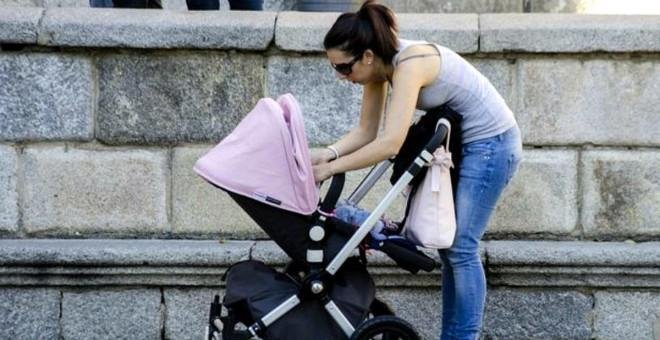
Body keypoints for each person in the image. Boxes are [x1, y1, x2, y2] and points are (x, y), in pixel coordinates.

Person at [310, 1, 522, 339]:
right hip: (469, 146)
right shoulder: (378, 68)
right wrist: (325, 155)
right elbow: (366, 132)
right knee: (452, 247)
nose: (341, 77)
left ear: (366, 56)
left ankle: (462, 336)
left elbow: (390, 143)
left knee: (461, 247)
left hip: (493, 144)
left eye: (344, 68)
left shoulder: (409, 64)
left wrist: (331, 169)